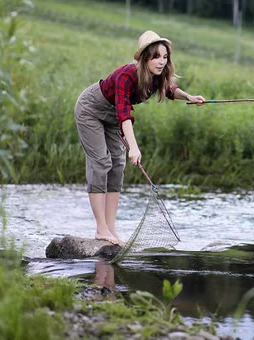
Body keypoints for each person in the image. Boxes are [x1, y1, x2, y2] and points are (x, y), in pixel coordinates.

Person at [74, 30, 205, 245]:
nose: (161, 62)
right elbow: (124, 114)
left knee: (117, 164)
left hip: (111, 117)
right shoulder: (126, 75)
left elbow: (169, 89)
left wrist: (189, 97)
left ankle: (111, 230)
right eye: (156, 57)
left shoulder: (156, 77)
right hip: (90, 110)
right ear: (145, 58)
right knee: (101, 162)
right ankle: (101, 229)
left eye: (164, 57)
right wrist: (133, 148)